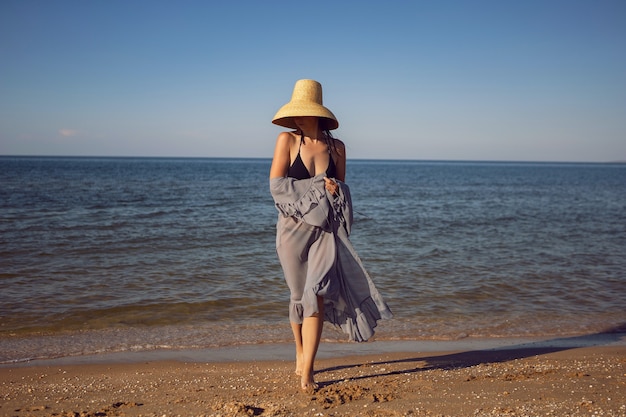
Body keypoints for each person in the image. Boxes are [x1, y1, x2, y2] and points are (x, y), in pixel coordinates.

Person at [269, 79, 392, 392]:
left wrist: (337, 190)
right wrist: (315, 187)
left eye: (303, 112)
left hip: (325, 233)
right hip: (291, 231)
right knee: (298, 296)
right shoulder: (287, 141)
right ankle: (299, 351)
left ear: (317, 114)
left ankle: (308, 369)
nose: (297, 117)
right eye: (294, 112)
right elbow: (276, 187)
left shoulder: (337, 148)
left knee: (316, 293)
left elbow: (342, 195)